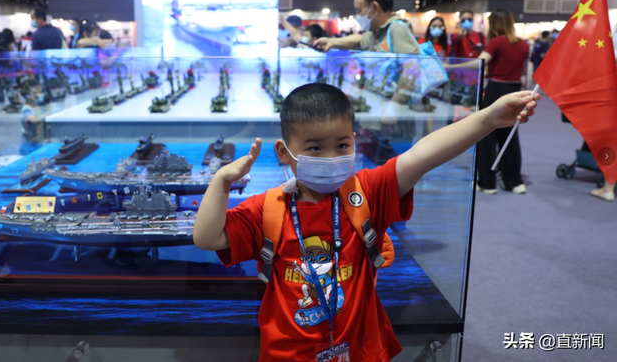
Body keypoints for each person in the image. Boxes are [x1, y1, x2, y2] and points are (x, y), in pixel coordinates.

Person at [193, 82, 539, 361]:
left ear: (354, 142)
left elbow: (423, 154)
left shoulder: (367, 193)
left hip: (360, 351)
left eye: (342, 144)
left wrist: (489, 119)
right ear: (285, 152)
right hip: (287, 354)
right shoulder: (268, 209)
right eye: (314, 148)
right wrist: (221, 182)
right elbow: (208, 238)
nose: (331, 157)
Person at [446, 8, 530, 195]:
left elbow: (479, 63)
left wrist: (451, 67)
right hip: (515, 89)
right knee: (510, 136)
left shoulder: (496, 42)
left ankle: (487, 182)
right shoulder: (523, 44)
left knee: (486, 135)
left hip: (496, 91)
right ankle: (513, 181)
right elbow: (524, 73)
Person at [313, 0, 419, 54]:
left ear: (374, 8)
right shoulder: (375, 33)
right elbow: (359, 40)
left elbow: (411, 70)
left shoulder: (397, 29)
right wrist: (331, 42)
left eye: (359, 10)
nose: (357, 15)